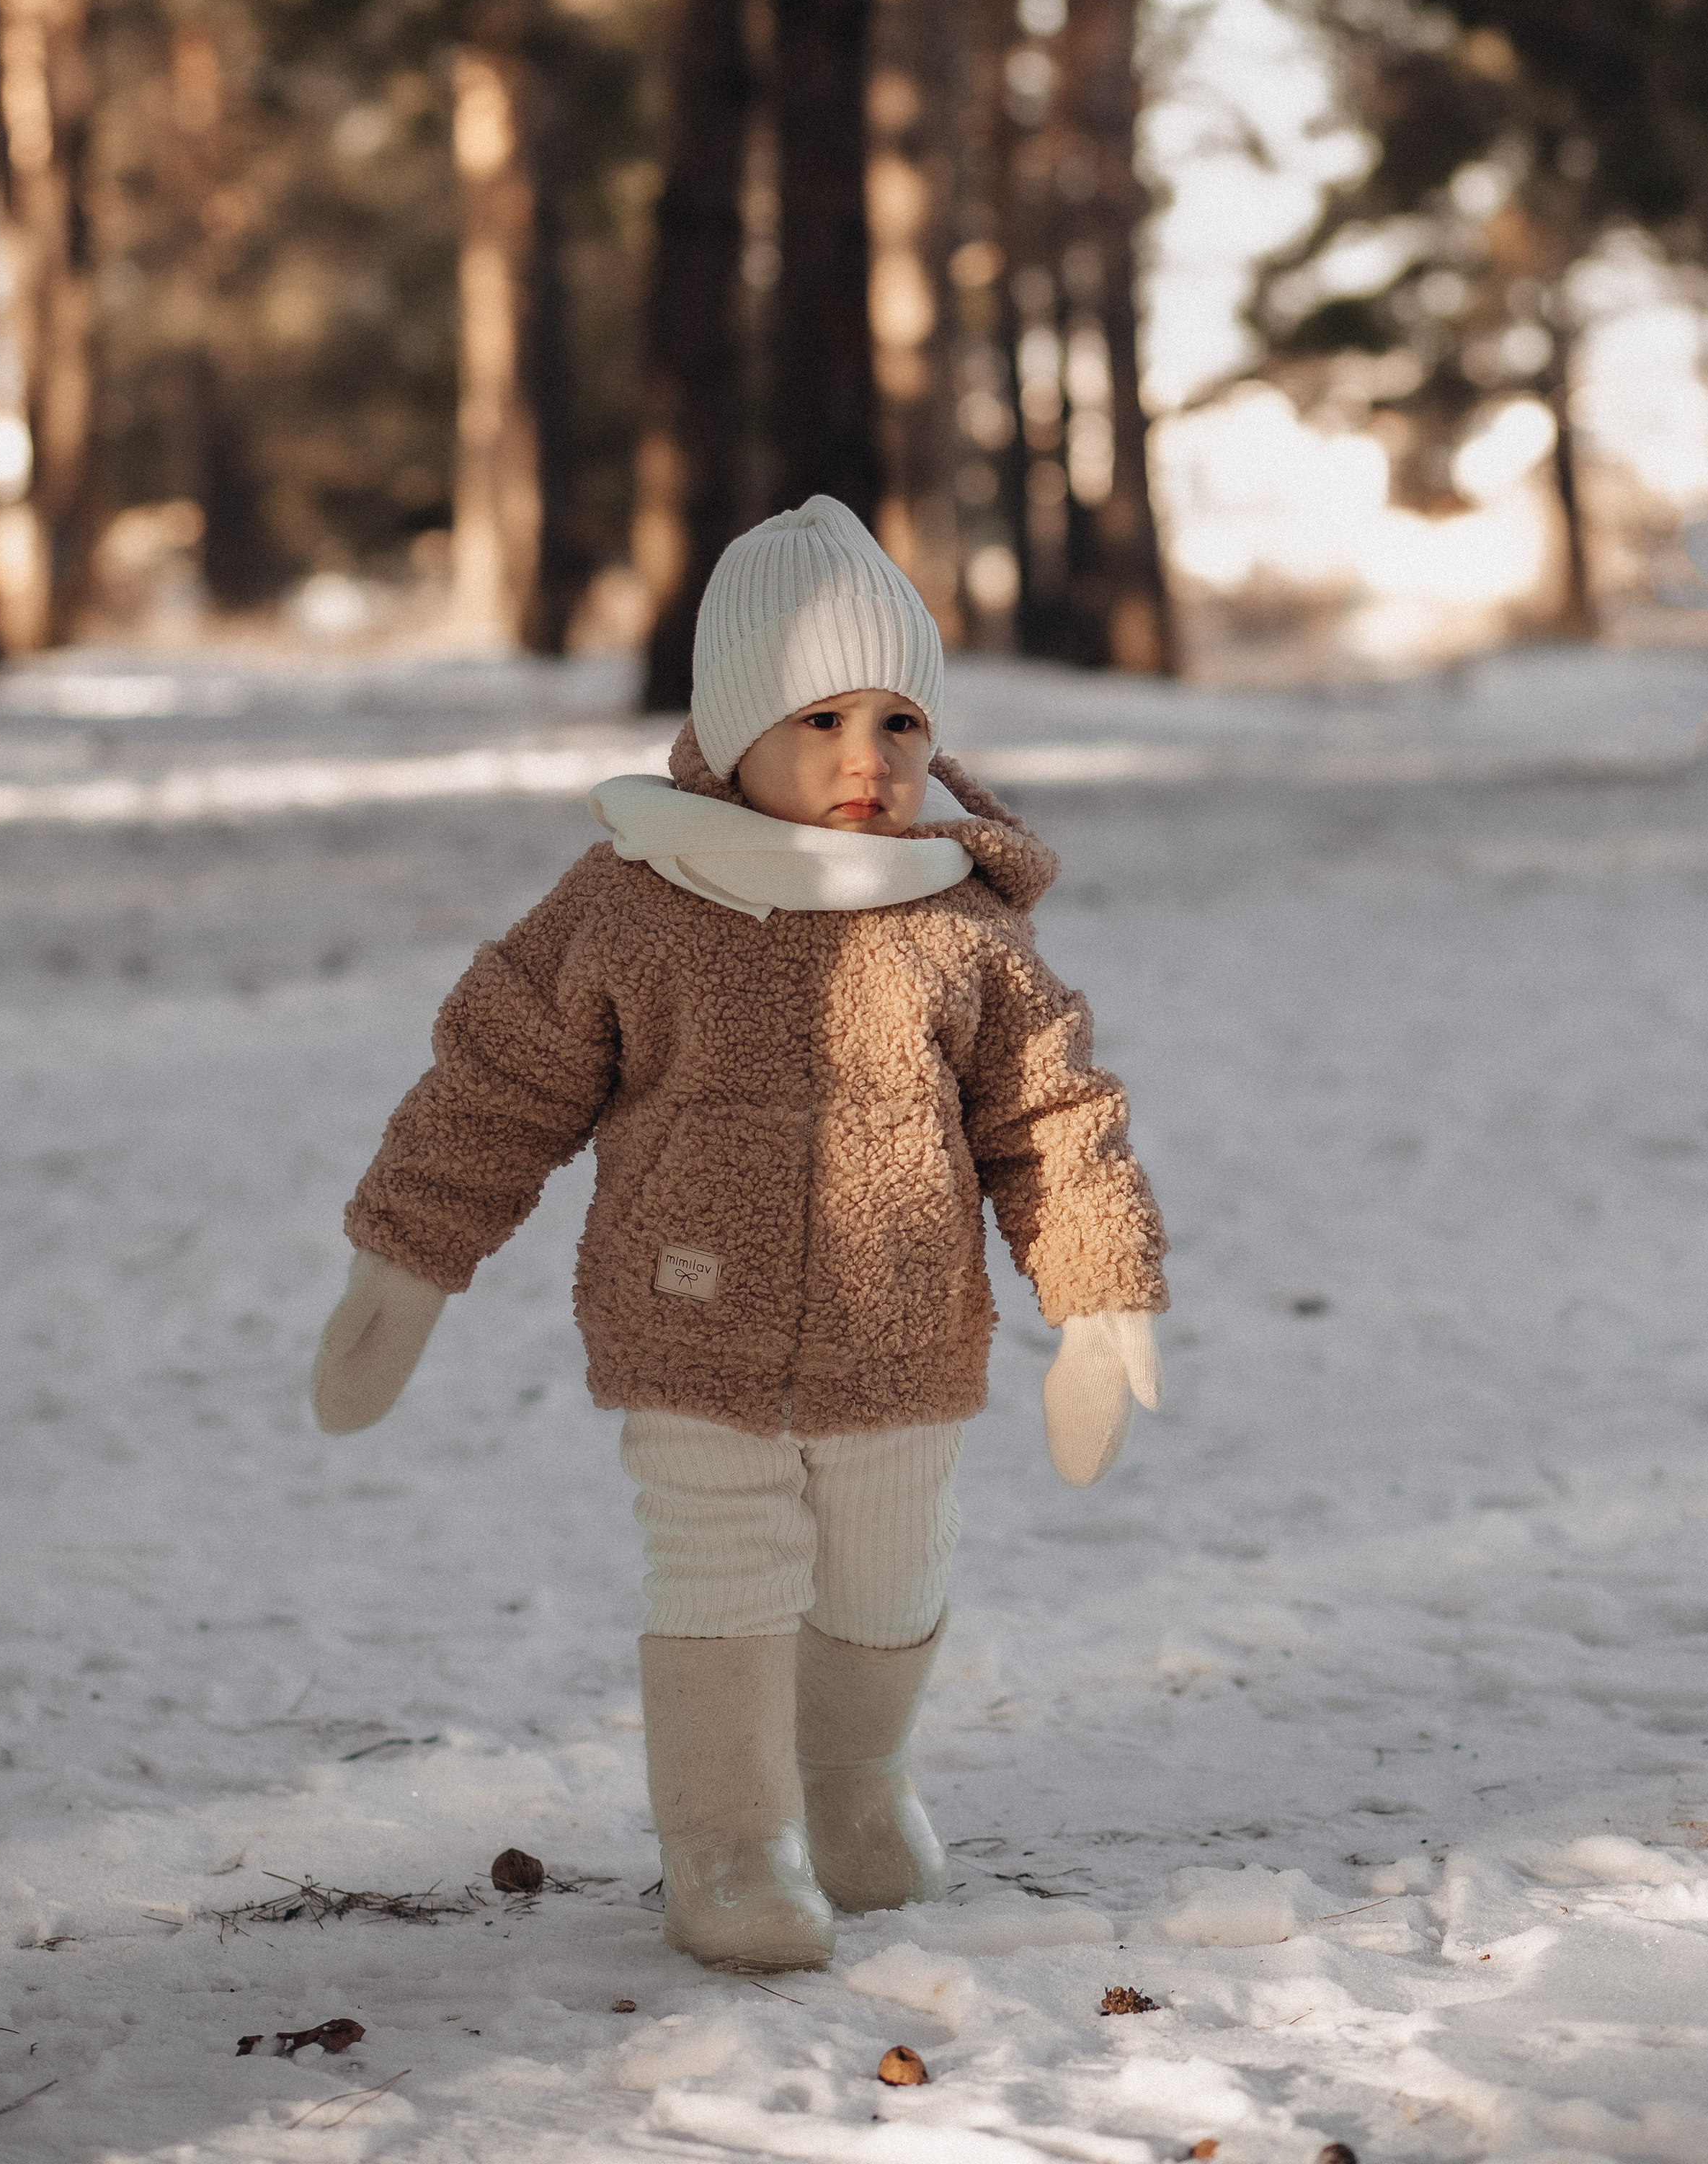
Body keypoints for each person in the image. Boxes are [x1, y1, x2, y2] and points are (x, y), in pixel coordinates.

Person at [310, 496, 1168, 1974]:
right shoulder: (636, 901)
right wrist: (407, 1259)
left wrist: (1097, 1295)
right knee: (721, 1570)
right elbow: (497, 1085)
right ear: (727, 727)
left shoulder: (960, 921)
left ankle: (848, 1784)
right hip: (686, 1316)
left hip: (902, 1327)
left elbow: (1049, 1116)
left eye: (900, 720)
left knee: (889, 1576)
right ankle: (728, 1839)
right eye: (819, 717)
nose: (866, 756)